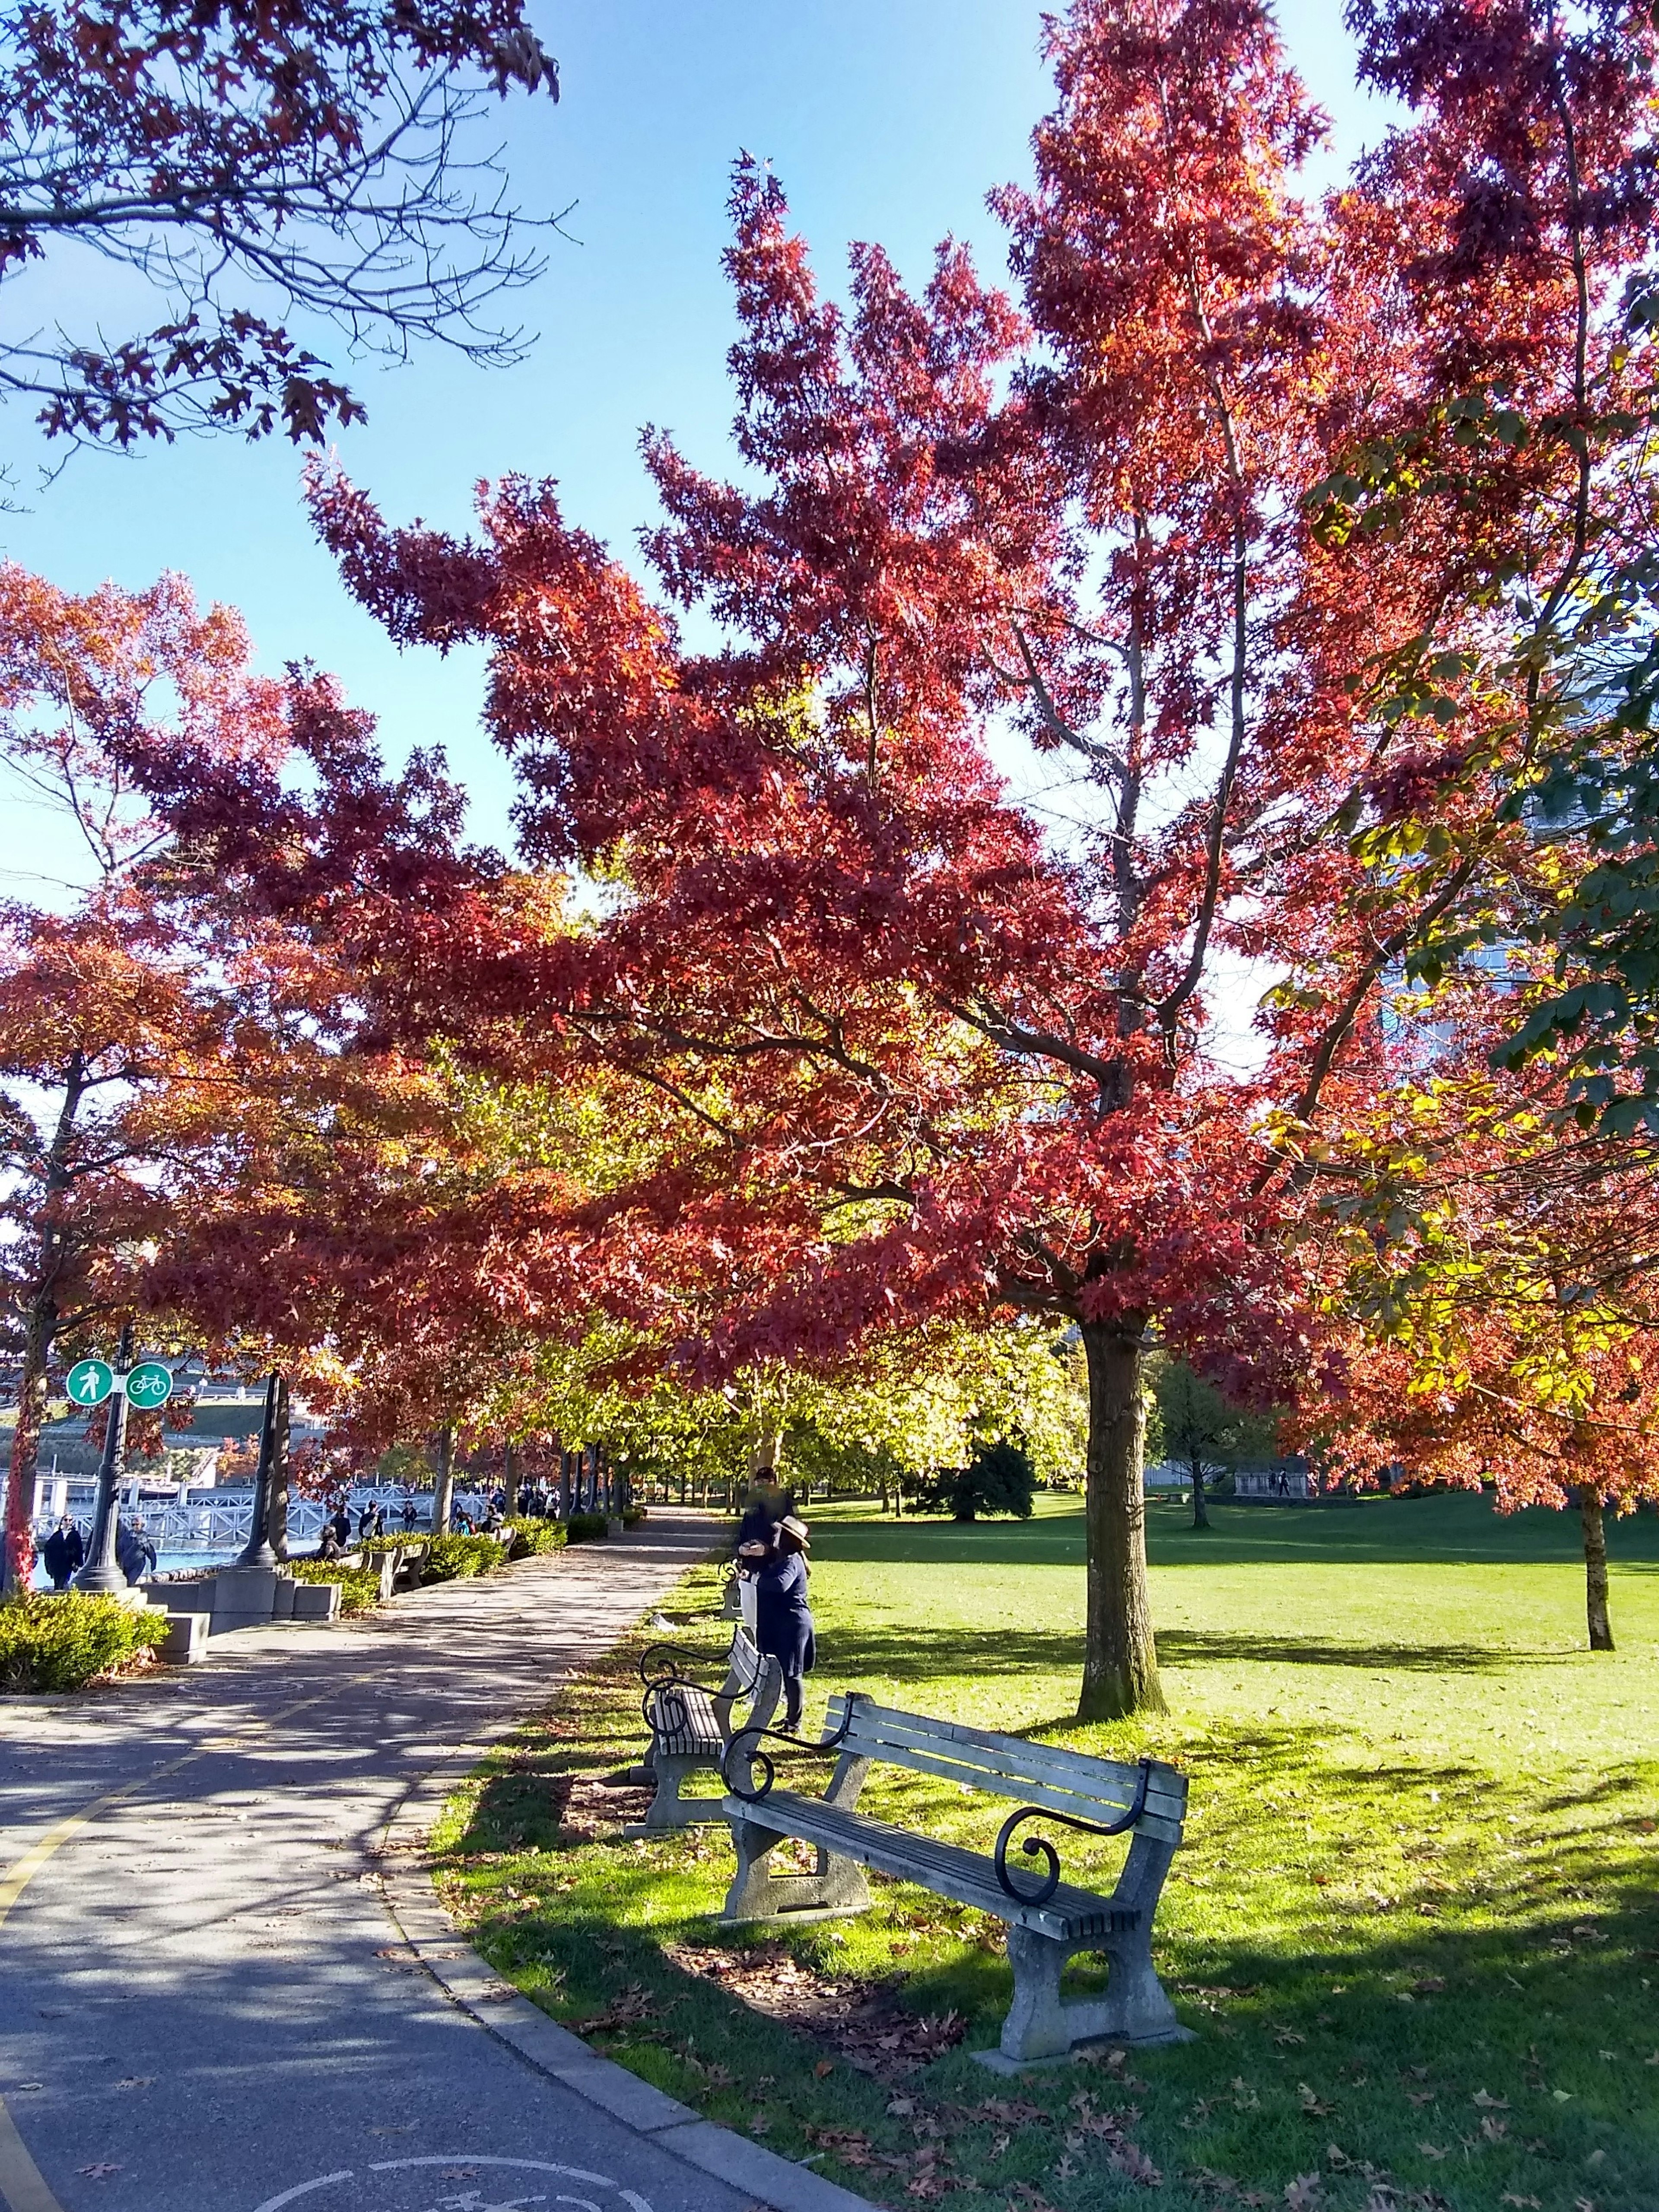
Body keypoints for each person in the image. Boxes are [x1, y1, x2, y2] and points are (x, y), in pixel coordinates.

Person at [751, 1514, 816, 1732]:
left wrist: (756, 1580)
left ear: (787, 1538)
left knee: (793, 1673)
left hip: (794, 1624)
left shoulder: (792, 1561)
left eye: (779, 1533)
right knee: (787, 1672)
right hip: (785, 1624)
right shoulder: (784, 1558)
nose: (775, 1536)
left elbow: (781, 1585)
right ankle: (790, 1718)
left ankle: (795, 1723)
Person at [42, 1515, 84, 1589]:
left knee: (65, 1581)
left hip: (69, 1563)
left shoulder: (75, 1535)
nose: (68, 1522)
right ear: (62, 1521)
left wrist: (78, 1562)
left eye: (70, 1520)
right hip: (57, 1564)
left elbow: (79, 1549)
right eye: (66, 1520)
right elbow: (48, 1549)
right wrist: (49, 1565)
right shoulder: (57, 1535)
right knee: (57, 1582)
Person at [115, 1517, 157, 1586]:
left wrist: (153, 1565)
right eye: (133, 1525)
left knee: (130, 1582)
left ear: (142, 1525)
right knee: (122, 1582)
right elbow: (120, 1548)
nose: (135, 1526)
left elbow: (151, 1552)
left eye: (137, 1524)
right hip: (125, 1564)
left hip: (137, 1564)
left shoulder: (144, 1538)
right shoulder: (126, 1536)